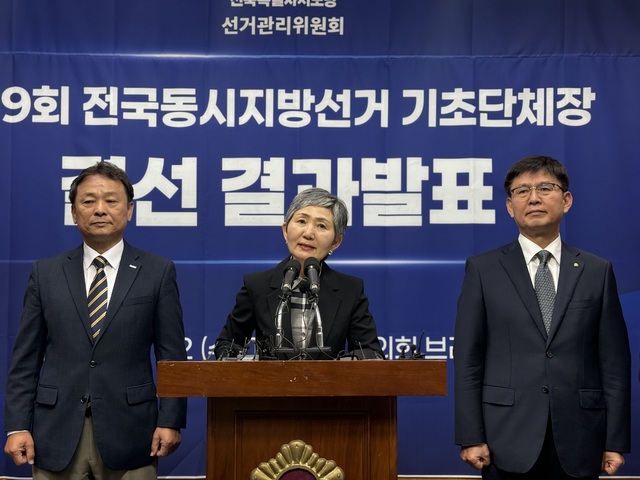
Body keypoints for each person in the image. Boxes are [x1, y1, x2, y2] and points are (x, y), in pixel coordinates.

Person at [4, 162, 187, 479]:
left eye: (111, 200)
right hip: (56, 432)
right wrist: (17, 426)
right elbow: (26, 359)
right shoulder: (46, 273)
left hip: (131, 432)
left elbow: (171, 356)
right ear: (74, 213)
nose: (100, 209)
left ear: (129, 210)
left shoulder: (157, 272)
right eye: (89, 201)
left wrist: (171, 419)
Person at [454, 155, 630, 479]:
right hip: (505, 439)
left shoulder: (596, 271)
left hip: (581, 439)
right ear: (510, 206)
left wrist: (615, 441)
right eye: (522, 191)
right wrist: (470, 436)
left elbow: (614, 364)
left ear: (566, 200)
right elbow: (468, 361)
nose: (533, 198)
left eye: (545, 188)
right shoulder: (483, 270)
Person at [214, 187, 383, 360]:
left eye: (321, 226)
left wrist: (340, 367)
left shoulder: (350, 290)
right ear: (285, 230)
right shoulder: (257, 285)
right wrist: (249, 362)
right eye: (301, 221)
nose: (308, 233)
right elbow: (227, 344)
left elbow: (371, 352)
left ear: (336, 242)